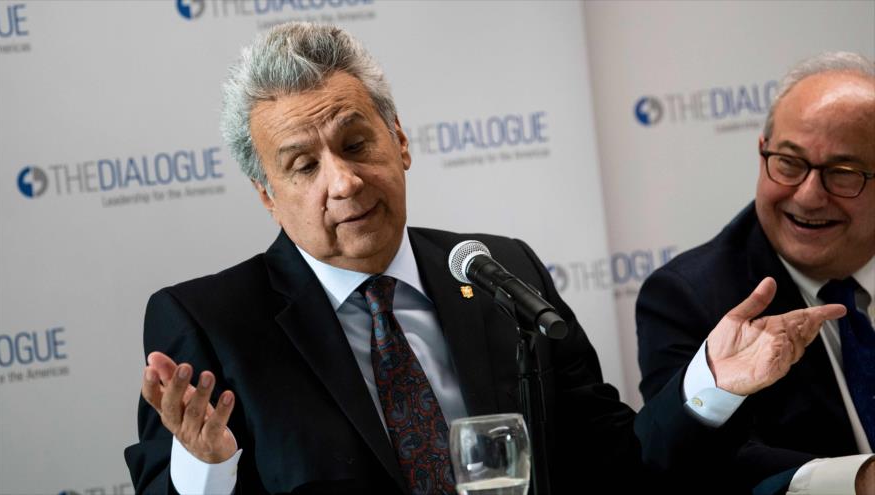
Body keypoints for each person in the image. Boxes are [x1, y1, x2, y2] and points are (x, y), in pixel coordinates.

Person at [125, 23, 845, 494]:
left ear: (399, 143)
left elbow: (618, 467)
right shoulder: (209, 324)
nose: (341, 181)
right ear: (266, 193)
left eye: (354, 143)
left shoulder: (501, 272)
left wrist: (710, 381)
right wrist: (207, 468)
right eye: (302, 165)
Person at [636, 51, 875, 495]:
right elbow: (693, 466)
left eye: (842, 173)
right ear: (762, 150)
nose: (807, 196)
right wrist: (860, 480)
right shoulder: (690, 296)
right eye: (788, 162)